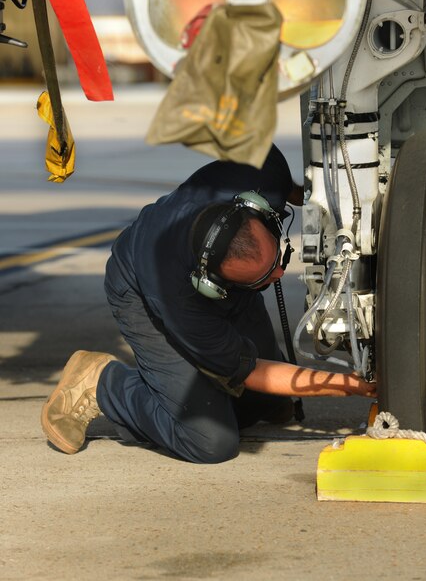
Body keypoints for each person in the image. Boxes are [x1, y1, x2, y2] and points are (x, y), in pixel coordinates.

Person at [40, 144, 376, 463]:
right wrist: (350, 386)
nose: (279, 275)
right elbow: (252, 371)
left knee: (265, 405)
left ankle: (211, 388)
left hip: (223, 279)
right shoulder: (178, 302)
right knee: (210, 439)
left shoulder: (260, 178)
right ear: (213, 286)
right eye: (264, 278)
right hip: (139, 291)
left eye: (278, 258)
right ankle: (103, 384)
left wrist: (303, 193)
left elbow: (263, 154)